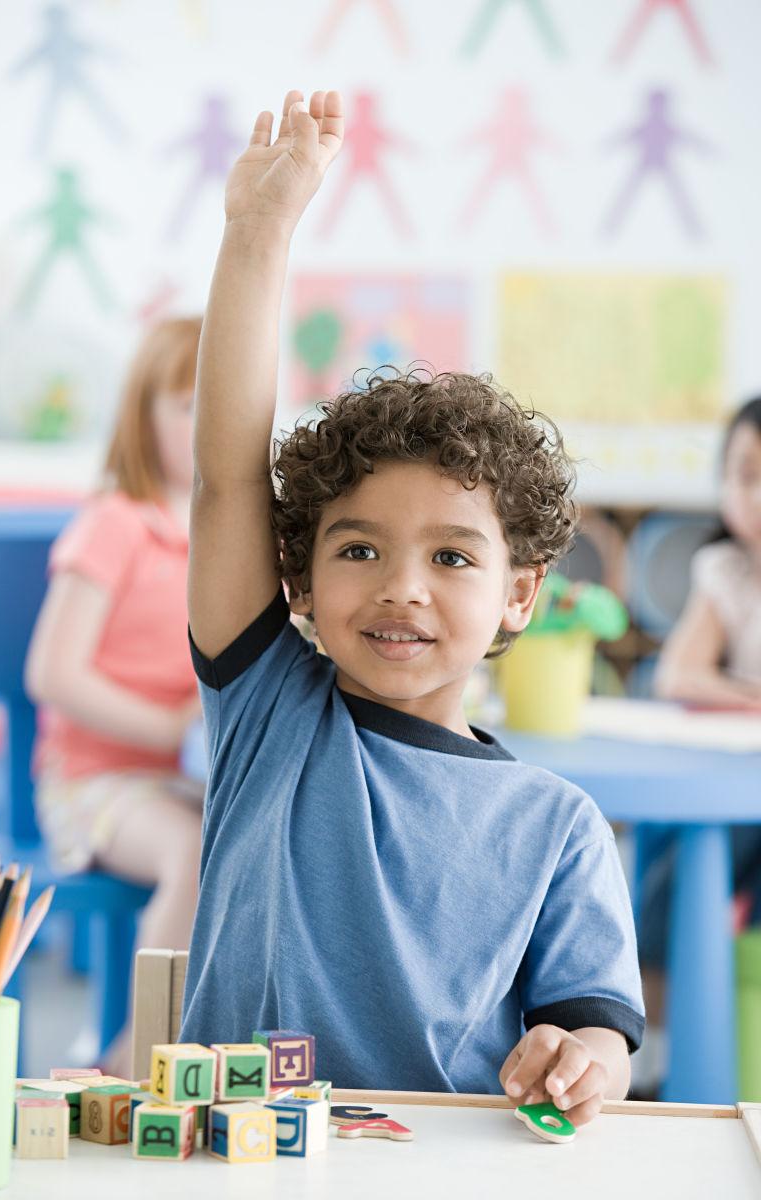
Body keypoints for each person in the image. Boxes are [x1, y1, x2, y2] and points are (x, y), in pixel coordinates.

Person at [179, 90, 644, 1127]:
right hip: (235, 1162)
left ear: (519, 594)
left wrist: (578, 1059)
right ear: (296, 576)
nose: (400, 586)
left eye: (449, 555)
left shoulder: (556, 827)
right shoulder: (270, 714)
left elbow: (599, 1030)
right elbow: (224, 483)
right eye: (357, 549)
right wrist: (257, 235)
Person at [25, 317, 205, 1077]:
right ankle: (133, 1062)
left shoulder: (233, 537)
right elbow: (52, 674)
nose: (208, 426)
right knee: (193, 853)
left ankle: (215, 1045)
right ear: (144, 414)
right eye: (188, 406)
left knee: (274, 844)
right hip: (91, 782)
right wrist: (169, 722)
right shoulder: (116, 525)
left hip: (187, 775)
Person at [636, 396, 761, 1091]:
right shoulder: (728, 574)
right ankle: (692, 1061)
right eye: (744, 474)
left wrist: (732, 689)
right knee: (680, 874)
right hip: (732, 783)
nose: (757, 496)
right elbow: (679, 674)